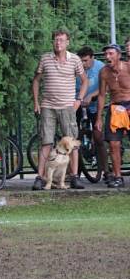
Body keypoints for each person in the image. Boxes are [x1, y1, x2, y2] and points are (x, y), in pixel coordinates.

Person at [31, 30, 88, 190]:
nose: (58, 43)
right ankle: (39, 177)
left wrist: (79, 100)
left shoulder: (75, 60)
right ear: (53, 42)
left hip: (67, 107)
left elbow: (85, 81)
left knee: (73, 142)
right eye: (56, 40)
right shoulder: (45, 59)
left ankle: (75, 177)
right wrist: (36, 102)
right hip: (48, 106)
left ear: (67, 42)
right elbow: (36, 81)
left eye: (62, 40)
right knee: (46, 142)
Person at [96, 43, 130, 188]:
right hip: (115, 107)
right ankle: (118, 176)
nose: (107, 57)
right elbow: (102, 95)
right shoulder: (104, 72)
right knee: (113, 144)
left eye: (110, 54)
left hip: (129, 105)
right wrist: (98, 117)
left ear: (118, 55)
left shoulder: (128, 67)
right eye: (106, 54)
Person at [76, 46, 109, 181]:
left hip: (95, 104)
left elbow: (105, 88)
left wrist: (92, 96)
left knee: (98, 136)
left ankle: (106, 171)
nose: (83, 64)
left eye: (85, 61)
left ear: (92, 58)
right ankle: (75, 172)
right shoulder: (76, 67)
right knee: (74, 136)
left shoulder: (101, 67)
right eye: (81, 61)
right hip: (77, 102)